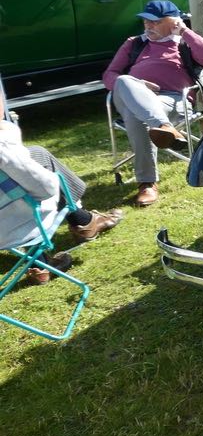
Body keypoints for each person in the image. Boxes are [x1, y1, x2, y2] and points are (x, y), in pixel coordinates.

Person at [1, 79, 123, 285]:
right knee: (42, 170)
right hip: (12, 225)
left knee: (36, 156)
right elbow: (46, 189)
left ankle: (83, 222)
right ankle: (77, 228)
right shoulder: (3, 146)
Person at [102, 0, 203, 207]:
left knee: (136, 118)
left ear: (173, 22)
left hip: (173, 99)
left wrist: (184, 31)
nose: (148, 26)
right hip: (130, 96)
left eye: (155, 22)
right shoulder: (134, 43)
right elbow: (109, 75)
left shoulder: (183, 43)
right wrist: (139, 85)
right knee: (123, 80)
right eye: (145, 21)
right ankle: (163, 126)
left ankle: (147, 183)